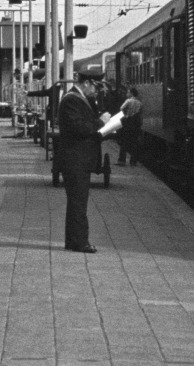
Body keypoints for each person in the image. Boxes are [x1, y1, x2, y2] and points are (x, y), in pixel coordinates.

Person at [56, 70, 107, 253]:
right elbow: (79, 128)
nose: (96, 92)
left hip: (78, 159)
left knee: (76, 202)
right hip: (75, 160)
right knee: (78, 202)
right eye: (95, 87)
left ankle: (73, 241)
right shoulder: (71, 100)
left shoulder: (79, 98)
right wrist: (101, 123)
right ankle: (80, 243)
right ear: (87, 83)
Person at [118, 87, 143, 166]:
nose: (127, 94)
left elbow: (121, 108)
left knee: (124, 142)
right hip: (136, 124)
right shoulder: (140, 103)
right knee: (134, 143)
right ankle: (133, 161)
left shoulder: (128, 101)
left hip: (128, 122)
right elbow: (141, 113)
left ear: (131, 93)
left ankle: (122, 161)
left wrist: (125, 115)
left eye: (128, 92)